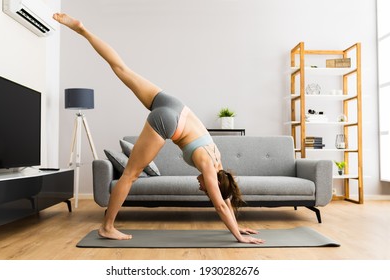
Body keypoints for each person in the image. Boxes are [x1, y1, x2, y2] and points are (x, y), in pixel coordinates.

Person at [53, 13, 264, 244]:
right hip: (169, 121)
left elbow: (227, 197)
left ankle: (83, 31)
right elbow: (221, 204)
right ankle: (107, 227)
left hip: (175, 104)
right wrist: (237, 235)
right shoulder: (208, 168)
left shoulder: (218, 160)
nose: (200, 186)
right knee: (130, 175)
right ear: (213, 181)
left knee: (122, 68)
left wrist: (238, 224)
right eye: (204, 188)